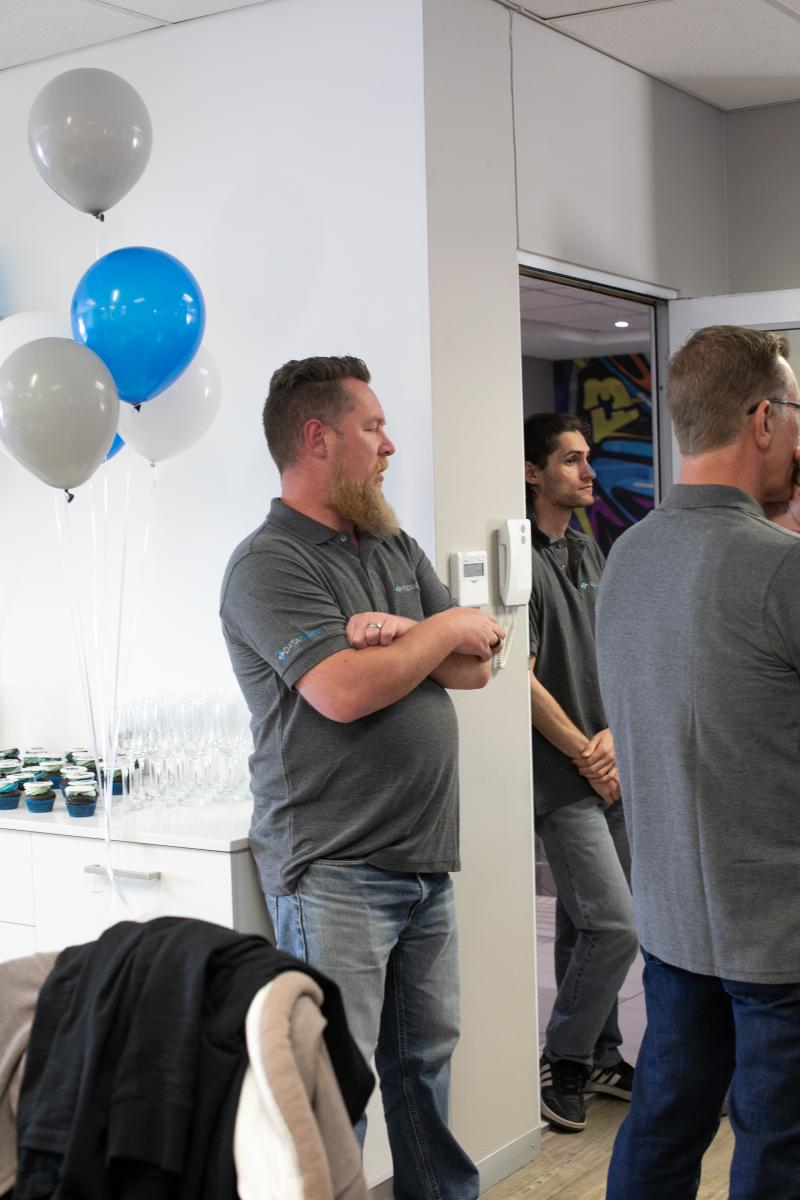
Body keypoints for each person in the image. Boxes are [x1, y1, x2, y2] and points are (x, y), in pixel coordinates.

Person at [220, 355, 505, 1200]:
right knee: (331, 1095)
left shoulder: (390, 543)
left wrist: (404, 635)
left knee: (425, 1073)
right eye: (372, 427)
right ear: (318, 439)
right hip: (333, 869)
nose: (389, 445)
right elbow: (341, 692)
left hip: (423, 861)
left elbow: (478, 665)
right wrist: (439, 628)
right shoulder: (268, 563)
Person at [596, 325, 800, 1199]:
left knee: (664, 1129)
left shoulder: (627, 556)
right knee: (778, 1152)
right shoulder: (780, 569)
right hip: (780, 938)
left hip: (674, 920)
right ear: (763, 418)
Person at [524, 414, 638, 1133]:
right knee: (616, 925)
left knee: (582, 922)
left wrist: (615, 739)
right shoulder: (521, 555)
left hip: (610, 764)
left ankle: (600, 1052)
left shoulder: (587, 547)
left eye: (587, 457)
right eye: (571, 460)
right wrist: (587, 755)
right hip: (565, 779)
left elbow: (616, 653)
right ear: (533, 472)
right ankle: (563, 1059)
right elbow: (521, 675)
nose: (588, 471)